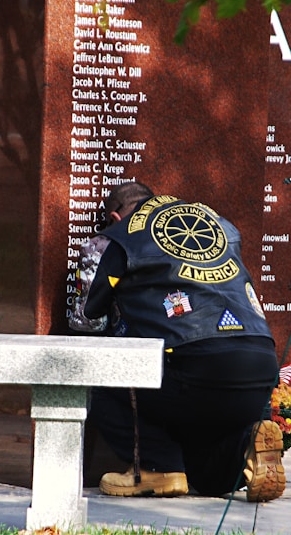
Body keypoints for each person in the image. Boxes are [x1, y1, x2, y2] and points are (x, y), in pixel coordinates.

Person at [69, 182, 286, 501]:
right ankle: (247, 443)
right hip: (260, 363)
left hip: (195, 362)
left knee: (98, 373)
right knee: (210, 481)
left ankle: (156, 466)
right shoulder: (218, 224)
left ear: (115, 217)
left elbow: (85, 321)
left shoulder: (117, 238)